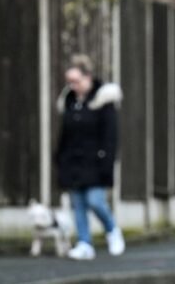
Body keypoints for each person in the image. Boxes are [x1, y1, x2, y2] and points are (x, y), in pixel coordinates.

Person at [55, 54, 125, 260]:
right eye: (70, 82)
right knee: (78, 204)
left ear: (88, 78)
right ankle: (84, 243)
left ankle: (112, 230)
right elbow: (64, 134)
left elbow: (110, 136)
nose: (72, 85)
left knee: (95, 200)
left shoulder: (103, 100)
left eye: (76, 81)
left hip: (95, 162)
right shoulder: (69, 102)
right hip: (73, 162)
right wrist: (59, 158)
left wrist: (106, 161)